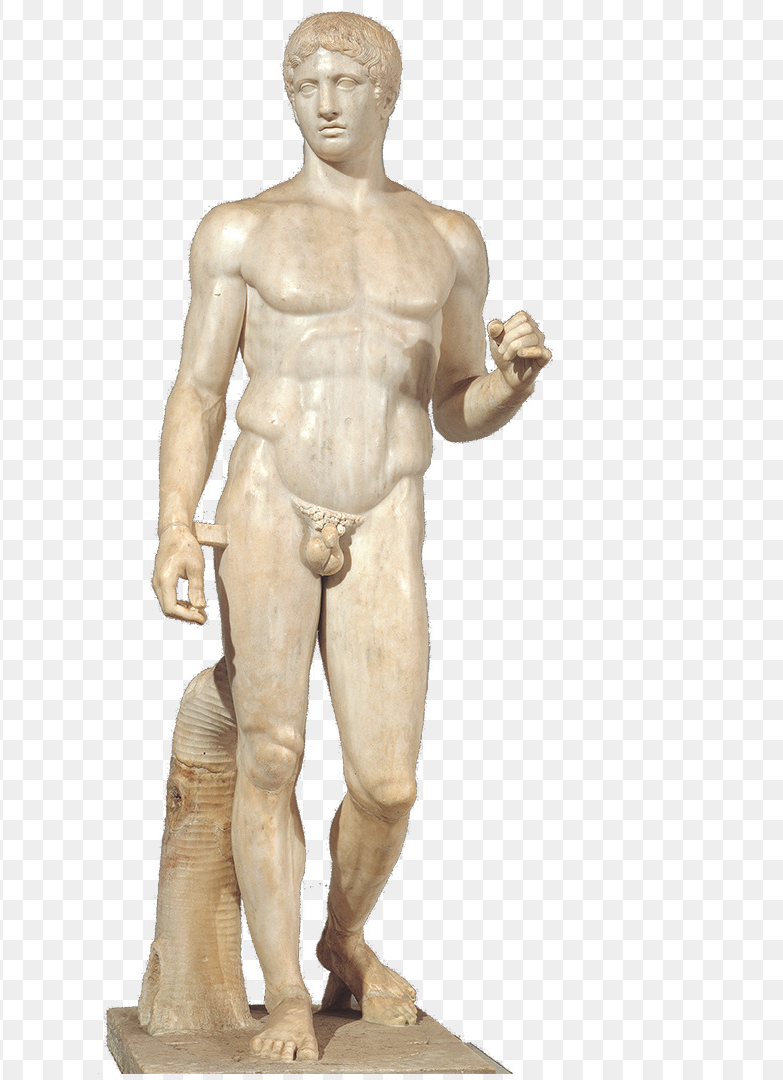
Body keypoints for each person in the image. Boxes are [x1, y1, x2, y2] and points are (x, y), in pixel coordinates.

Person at [151, 12, 551, 1063]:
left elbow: (454, 403)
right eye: (304, 84)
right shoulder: (240, 230)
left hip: (387, 508)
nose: (323, 103)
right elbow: (198, 390)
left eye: (343, 83)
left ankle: (342, 936)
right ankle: (286, 992)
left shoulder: (447, 238)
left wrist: (510, 384)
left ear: (387, 93)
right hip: (269, 497)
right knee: (272, 753)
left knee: (387, 783)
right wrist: (175, 525)